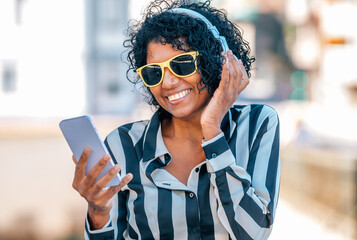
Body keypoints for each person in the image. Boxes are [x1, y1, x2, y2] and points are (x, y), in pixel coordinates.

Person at [72, 0, 281, 239]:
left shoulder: (257, 125)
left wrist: (212, 131)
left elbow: (253, 234)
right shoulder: (123, 145)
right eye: (154, 72)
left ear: (218, 60)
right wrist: (97, 213)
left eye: (182, 64)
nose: (167, 83)